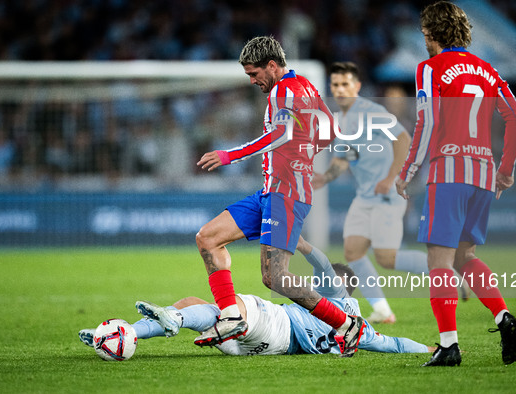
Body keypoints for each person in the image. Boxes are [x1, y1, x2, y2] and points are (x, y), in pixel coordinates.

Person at [195, 36, 365, 357]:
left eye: (254, 73)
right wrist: (303, 156)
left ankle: (346, 323)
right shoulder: (307, 88)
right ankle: (231, 316)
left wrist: (230, 155)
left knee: (276, 278)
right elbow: (330, 129)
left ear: (272, 65)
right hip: (272, 191)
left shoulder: (284, 89)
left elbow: (282, 133)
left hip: (285, 195)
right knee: (208, 238)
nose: (252, 80)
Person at [395, 1, 516, 366]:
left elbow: (427, 122)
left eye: (424, 34)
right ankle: (503, 317)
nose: (424, 41)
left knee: (439, 261)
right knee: (466, 256)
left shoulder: (430, 68)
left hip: (448, 169)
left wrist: (407, 170)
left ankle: (449, 345)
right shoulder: (488, 69)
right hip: (483, 171)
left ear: (431, 33)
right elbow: (515, 116)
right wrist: (505, 169)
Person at [79, 237, 433, 356]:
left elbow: (323, 264)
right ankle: (121, 334)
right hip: (263, 347)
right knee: (193, 303)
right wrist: (429, 348)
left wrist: (302, 243)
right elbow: (394, 344)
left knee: (234, 307)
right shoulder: (360, 328)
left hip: (279, 327)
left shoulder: (335, 294)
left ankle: (173, 322)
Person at [313, 62, 466, 325]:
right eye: (335, 85)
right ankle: (383, 310)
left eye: (345, 84)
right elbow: (343, 159)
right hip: (364, 196)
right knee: (353, 251)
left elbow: (403, 141)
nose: (339, 90)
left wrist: (390, 177)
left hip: (386, 194)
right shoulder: (343, 121)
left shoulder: (372, 112)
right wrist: (325, 177)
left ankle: (446, 271)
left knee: (387, 258)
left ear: (357, 86)